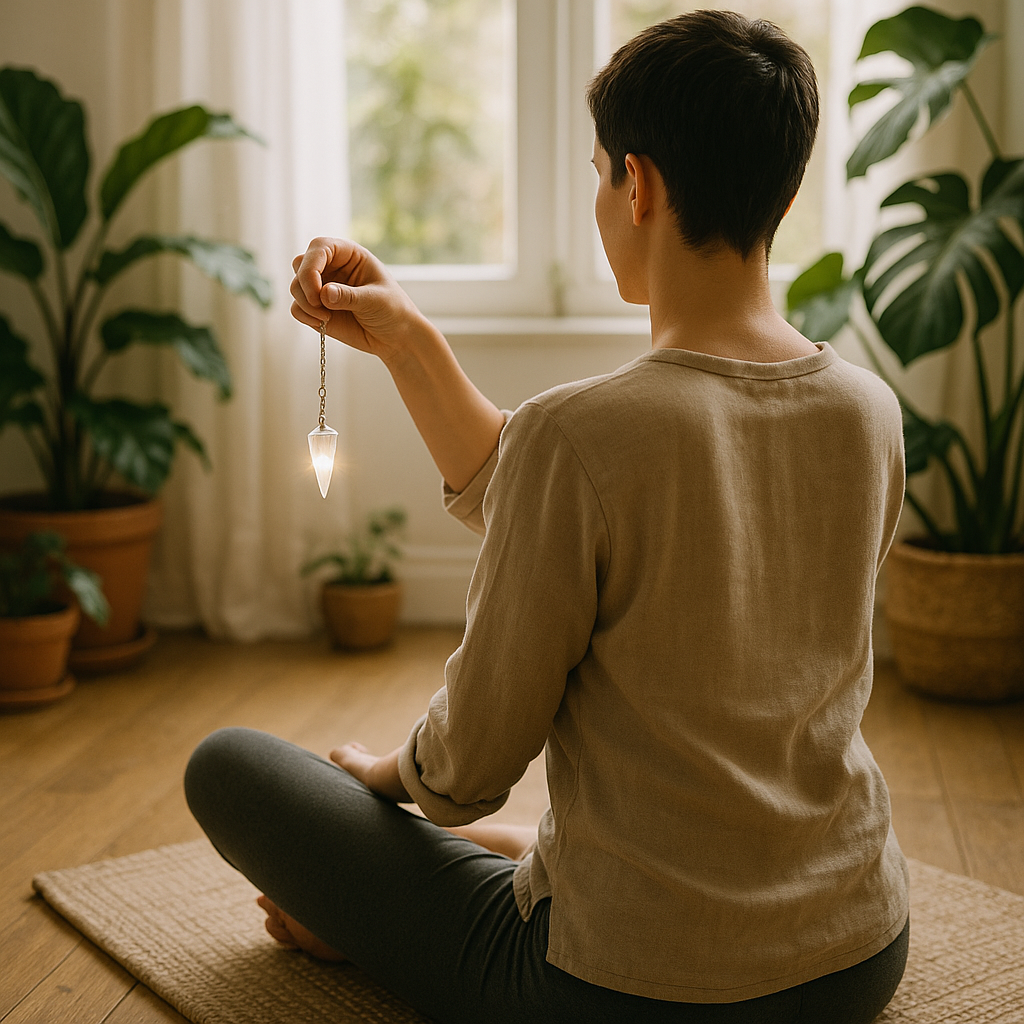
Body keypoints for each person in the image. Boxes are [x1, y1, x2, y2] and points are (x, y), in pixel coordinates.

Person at [185, 11, 910, 1023]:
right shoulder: (867, 410)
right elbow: (570, 501)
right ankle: (540, 860)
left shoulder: (586, 436)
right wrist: (407, 340)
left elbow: (465, 771)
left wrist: (385, 777)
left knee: (229, 768)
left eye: (598, 169)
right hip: (858, 951)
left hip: (625, 987)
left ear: (637, 185)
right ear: (784, 191)